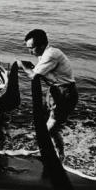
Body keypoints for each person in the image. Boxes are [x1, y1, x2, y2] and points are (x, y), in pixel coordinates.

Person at [18, 29, 78, 159]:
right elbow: (43, 73)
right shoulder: (43, 54)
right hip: (55, 90)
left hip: (64, 93)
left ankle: (44, 150)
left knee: (49, 127)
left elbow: (33, 76)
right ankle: (60, 154)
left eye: (31, 48)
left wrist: (21, 65)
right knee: (51, 127)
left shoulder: (51, 54)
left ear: (41, 46)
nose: (29, 51)